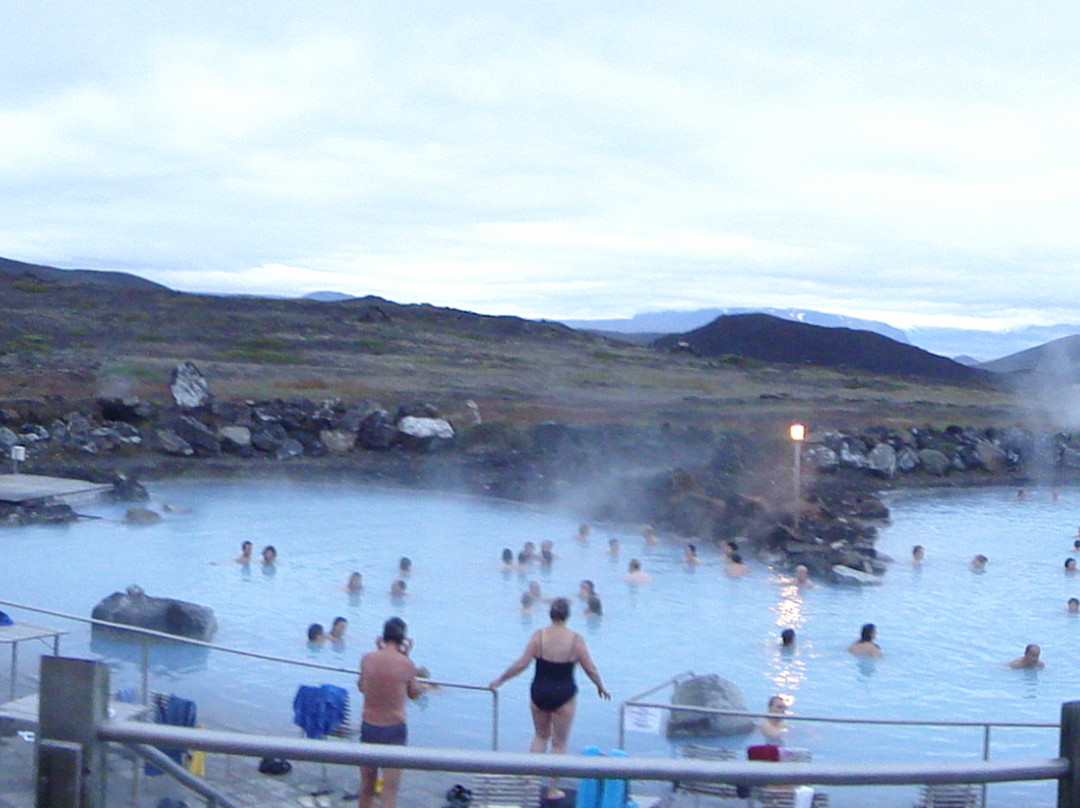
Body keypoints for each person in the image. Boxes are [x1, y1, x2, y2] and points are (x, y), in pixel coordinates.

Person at [489, 598, 610, 800]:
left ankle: (530, 785)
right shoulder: (575, 640)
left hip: (539, 692)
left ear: (550, 614)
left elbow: (521, 664)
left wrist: (500, 679)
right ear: (568, 615)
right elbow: (590, 668)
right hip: (564, 695)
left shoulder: (539, 636)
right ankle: (552, 789)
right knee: (559, 744)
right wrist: (600, 686)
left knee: (540, 736)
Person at [357, 617, 425, 808]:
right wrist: (407, 658)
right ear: (403, 639)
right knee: (389, 790)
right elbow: (414, 693)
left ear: (383, 636)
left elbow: (362, 687)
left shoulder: (367, 659)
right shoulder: (406, 664)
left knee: (367, 786)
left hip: (369, 726)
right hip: (394, 729)